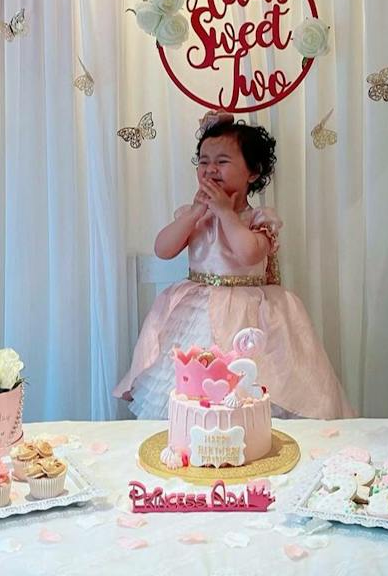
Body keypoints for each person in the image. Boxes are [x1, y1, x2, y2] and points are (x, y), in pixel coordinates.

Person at [115, 114, 351, 420]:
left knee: (251, 384)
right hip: (196, 312)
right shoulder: (194, 215)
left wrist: (226, 213)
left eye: (222, 161)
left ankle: (249, 428)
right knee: (193, 387)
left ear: (253, 172)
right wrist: (195, 213)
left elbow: (248, 254)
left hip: (249, 315)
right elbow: (163, 249)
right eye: (203, 162)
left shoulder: (259, 219)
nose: (211, 169)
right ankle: (197, 431)